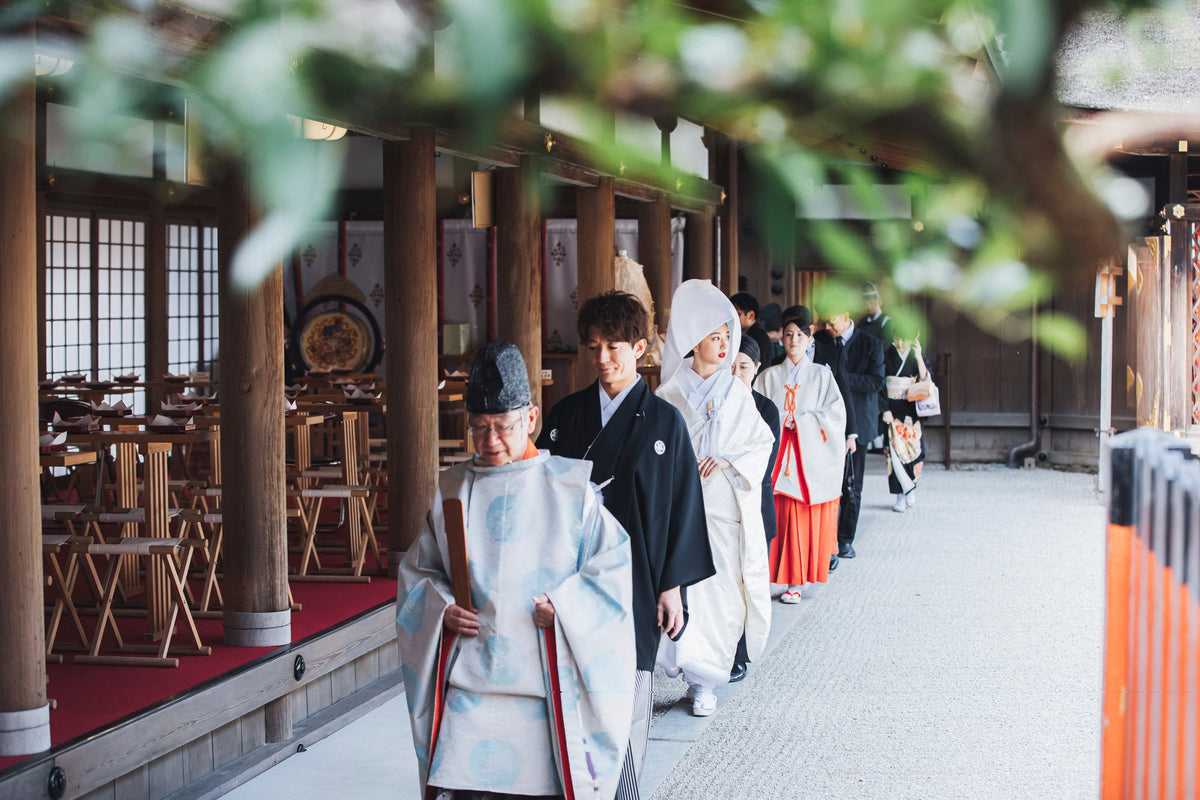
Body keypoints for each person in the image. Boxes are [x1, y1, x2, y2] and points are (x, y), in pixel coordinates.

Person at [395, 342, 636, 800]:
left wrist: (564, 608)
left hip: (545, 690)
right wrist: (442, 609)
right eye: (479, 429)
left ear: (530, 418)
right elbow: (418, 573)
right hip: (468, 686)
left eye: (502, 427)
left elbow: (613, 572)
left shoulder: (570, 490)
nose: (490, 442)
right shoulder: (452, 490)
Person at [537, 291, 714, 797]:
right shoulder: (566, 416)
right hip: (570, 580)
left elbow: (682, 506)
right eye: (594, 346)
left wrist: (672, 586)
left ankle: (622, 791)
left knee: (627, 695)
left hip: (635, 584)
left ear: (640, 348)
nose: (603, 358)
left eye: (614, 345)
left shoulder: (664, 423)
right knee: (569, 690)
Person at [654, 279, 774, 717]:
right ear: (694, 342)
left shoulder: (737, 391)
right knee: (684, 594)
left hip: (724, 512)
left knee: (721, 597)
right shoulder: (668, 396)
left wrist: (727, 459)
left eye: (727, 337)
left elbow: (761, 442)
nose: (724, 346)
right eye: (714, 338)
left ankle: (706, 682)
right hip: (683, 513)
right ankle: (683, 670)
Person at [754, 305, 846, 602]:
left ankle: (795, 580)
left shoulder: (822, 375)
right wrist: (780, 420)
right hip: (777, 457)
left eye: (799, 335)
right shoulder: (768, 376)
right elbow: (754, 414)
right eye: (789, 334)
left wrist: (803, 421)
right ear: (781, 338)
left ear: (809, 340)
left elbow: (835, 416)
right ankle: (769, 577)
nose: (794, 340)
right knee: (774, 515)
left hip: (807, 458)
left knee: (799, 520)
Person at [812, 307, 885, 559]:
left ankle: (845, 539)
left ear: (845, 316)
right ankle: (826, 537)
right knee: (825, 482)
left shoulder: (870, 343)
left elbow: (877, 382)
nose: (828, 327)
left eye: (832, 322)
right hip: (825, 422)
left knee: (852, 483)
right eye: (824, 322)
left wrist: (841, 379)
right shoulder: (820, 341)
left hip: (859, 421)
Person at [729, 335, 780, 681]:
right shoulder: (716, 404)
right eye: (730, 366)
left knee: (751, 584)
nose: (735, 374)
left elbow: (765, 464)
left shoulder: (766, 409)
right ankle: (726, 652)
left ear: (757, 369)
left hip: (756, 504)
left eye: (743, 367)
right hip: (721, 510)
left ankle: (744, 651)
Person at [882, 325, 932, 512]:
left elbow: (926, 378)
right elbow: (881, 383)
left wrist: (919, 356)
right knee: (894, 454)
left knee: (913, 451)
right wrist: (884, 409)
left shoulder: (916, 354)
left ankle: (910, 488)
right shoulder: (886, 354)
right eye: (897, 338)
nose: (900, 343)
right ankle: (899, 495)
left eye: (904, 339)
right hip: (892, 411)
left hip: (911, 411)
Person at [730, 291, 773, 376]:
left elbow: (761, 366)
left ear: (750, 315)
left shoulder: (758, 336)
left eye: (738, 314)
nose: (733, 317)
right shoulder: (746, 332)